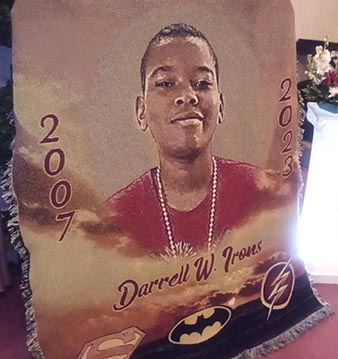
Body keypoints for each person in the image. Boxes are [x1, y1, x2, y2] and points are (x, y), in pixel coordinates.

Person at [107, 23, 292, 259]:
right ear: (141, 111)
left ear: (220, 106)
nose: (187, 96)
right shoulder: (114, 220)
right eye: (165, 83)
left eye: (202, 83)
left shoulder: (265, 195)